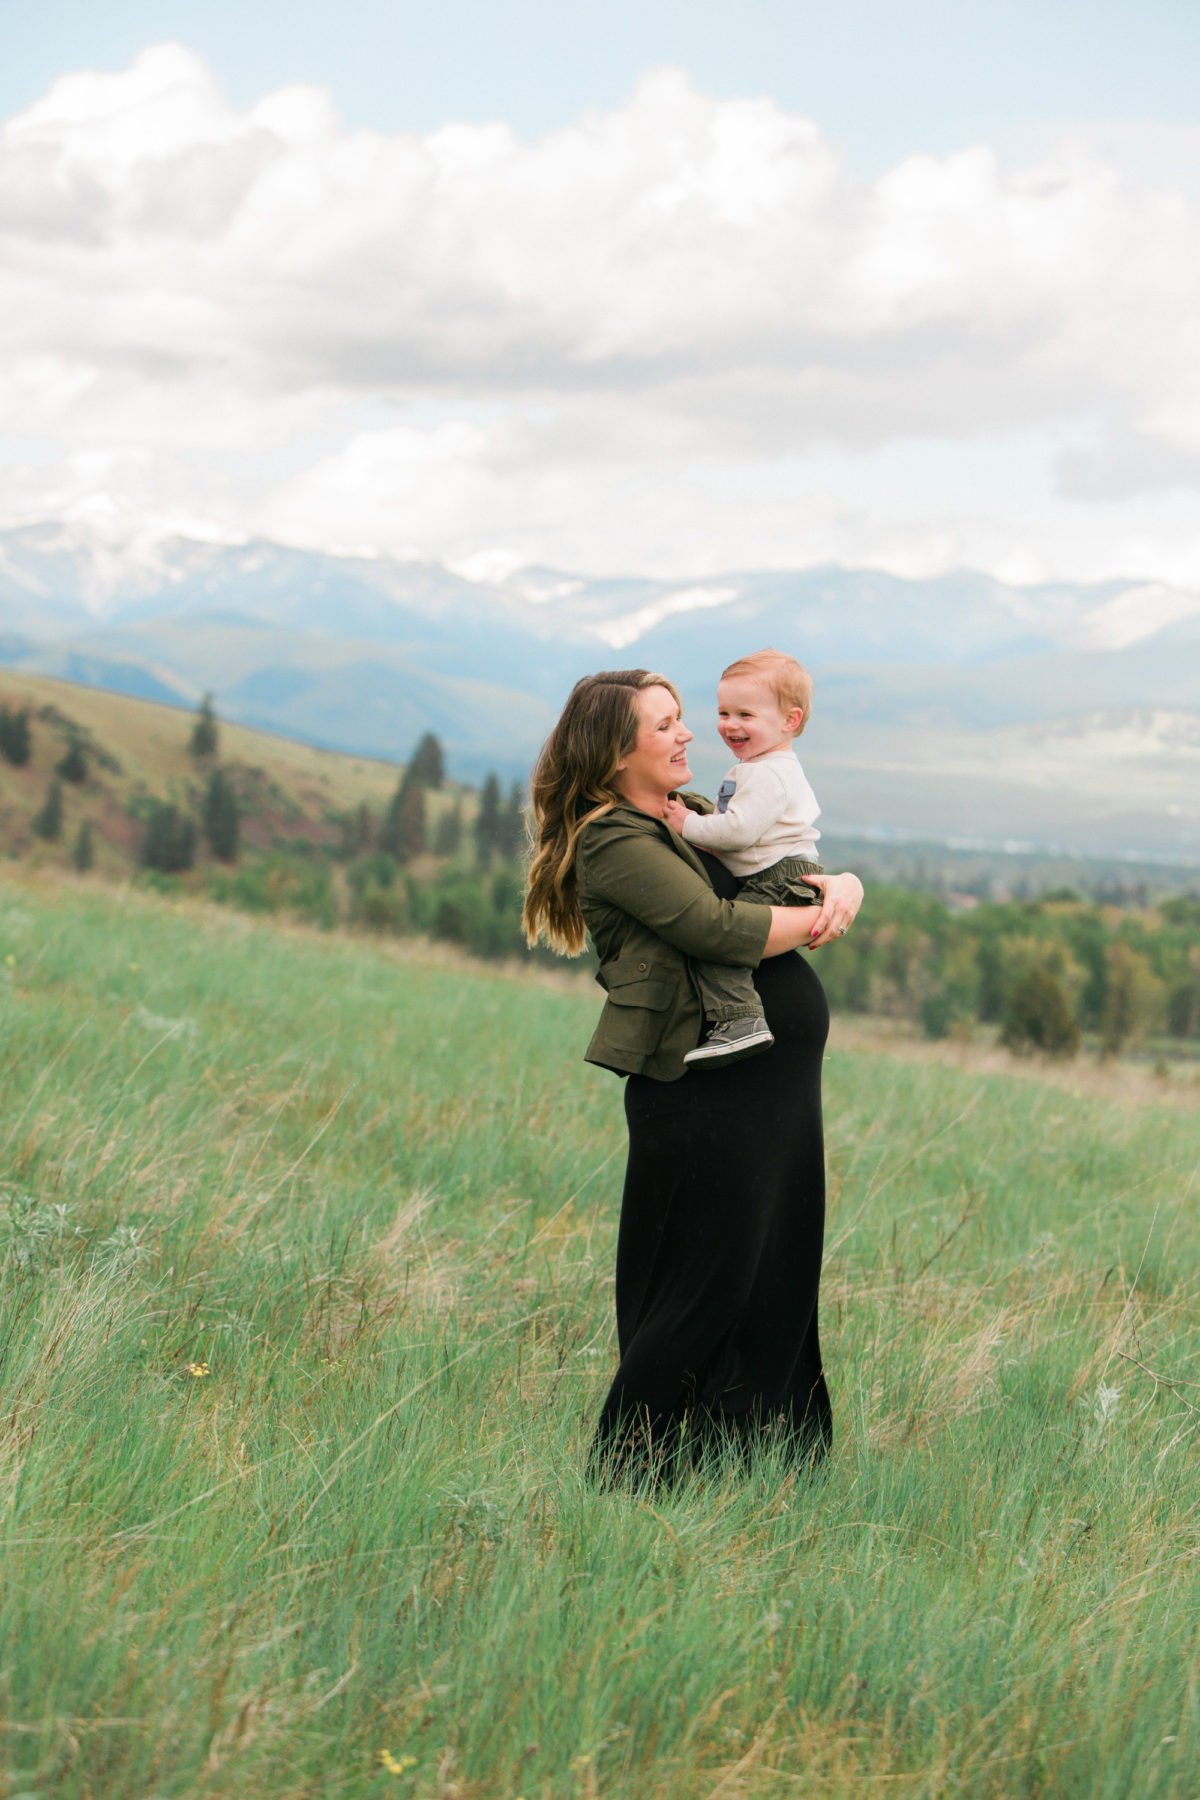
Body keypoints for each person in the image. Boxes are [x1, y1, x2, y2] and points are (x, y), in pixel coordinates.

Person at [523, 669, 863, 1482]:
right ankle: (631, 1476)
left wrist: (845, 884)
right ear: (614, 752)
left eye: (683, 720)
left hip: (769, 1090)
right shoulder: (614, 839)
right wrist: (821, 916)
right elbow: (712, 927)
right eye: (666, 725)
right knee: (701, 1281)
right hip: (705, 1091)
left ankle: (752, 1467)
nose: (687, 736)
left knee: (772, 1271)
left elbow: (782, 862)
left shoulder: (688, 821)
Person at [663, 647, 824, 1068]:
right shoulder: (760, 766)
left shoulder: (768, 773)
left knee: (722, 942)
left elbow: (739, 831)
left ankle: (740, 1021)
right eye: (724, 713)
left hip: (782, 877)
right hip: (777, 873)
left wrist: (686, 824)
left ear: (790, 721)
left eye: (745, 715)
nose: (730, 725)